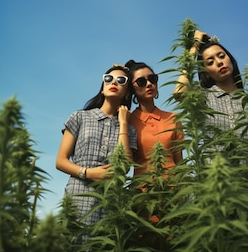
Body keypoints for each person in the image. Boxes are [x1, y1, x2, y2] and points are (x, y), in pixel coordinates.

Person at [56, 64, 137, 230]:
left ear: (127, 92)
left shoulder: (129, 129)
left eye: (121, 80)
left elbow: (125, 167)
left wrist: (123, 123)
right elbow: (60, 161)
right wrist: (88, 173)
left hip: (111, 203)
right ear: (102, 88)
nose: (113, 82)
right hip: (78, 198)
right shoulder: (80, 117)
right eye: (108, 79)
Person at [173, 28, 248, 140]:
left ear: (231, 60)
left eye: (222, 56)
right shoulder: (203, 96)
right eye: (210, 62)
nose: (219, 62)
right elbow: (179, 92)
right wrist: (195, 46)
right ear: (206, 73)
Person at [125, 59, 183, 175]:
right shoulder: (127, 121)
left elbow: (180, 163)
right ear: (132, 89)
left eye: (152, 79)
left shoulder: (173, 118)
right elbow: (125, 162)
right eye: (141, 82)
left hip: (174, 188)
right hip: (143, 190)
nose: (149, 84)